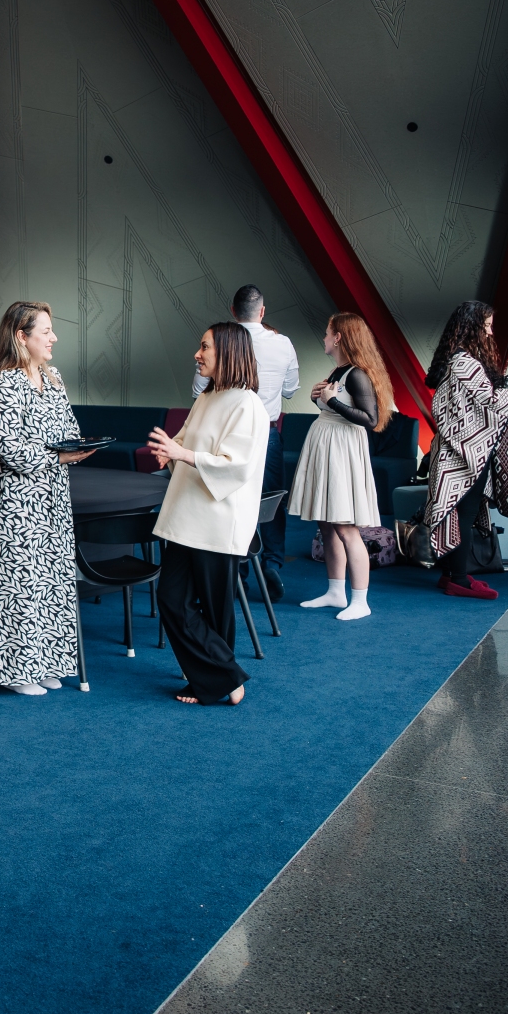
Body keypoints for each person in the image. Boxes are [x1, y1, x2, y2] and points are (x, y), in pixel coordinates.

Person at [0, 301, 96, 695]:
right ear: (21, 337)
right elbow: (8, 449)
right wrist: (58, 455)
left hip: (53, 495)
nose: (53, 337)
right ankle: (14, 672)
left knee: (51, 580)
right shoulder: (1, 384)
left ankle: (45, 664)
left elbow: (69, 429)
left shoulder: (53, 377)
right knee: (19, 583)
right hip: (15, 501)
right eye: (46, 331)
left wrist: (76, 447)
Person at [151, 323, 271, 706]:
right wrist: (170, 451)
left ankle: (217, 680)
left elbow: (236, 465)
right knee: (171, 599)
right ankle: (224, 677)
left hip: (218, 521)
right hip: (187, 517)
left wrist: (181, 453)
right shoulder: (207, 396)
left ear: (228, 352)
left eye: (204, 347)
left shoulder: (248, 404)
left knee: (215, 609)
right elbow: (185, 442)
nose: (197, 354)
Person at [421, 301, 508, 599]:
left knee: (456, 513)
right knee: (463, 516)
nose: (491, 332)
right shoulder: (465, 362)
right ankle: (459, 580)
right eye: (487, 326)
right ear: (472, 328)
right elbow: (491, 401)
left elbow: (488, 391)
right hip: (464, 456)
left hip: (457, 452)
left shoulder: (458, 360)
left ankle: (450, 575)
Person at [193, 285, 298, 598]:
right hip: (267, 433)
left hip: (227, 433)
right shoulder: (283, 343)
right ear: (262, 311)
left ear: (233, 311)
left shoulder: (220, 341)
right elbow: (290, 390)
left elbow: (198, 391)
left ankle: (237, 569)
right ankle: (272, 564)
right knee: (271, 500)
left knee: (232, 499)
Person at [291, 313, 392, 622]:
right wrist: (319, 399)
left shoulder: (357, 374)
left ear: (338, 337)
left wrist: (332, 402)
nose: (324, 338)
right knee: (327, 524)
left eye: (327, 332)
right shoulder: (338, 370)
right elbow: (337, 406)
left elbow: (371, 419)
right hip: (328, 447)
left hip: (342, 451)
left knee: (346, 527)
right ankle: (336, 592)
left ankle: (360, 600)